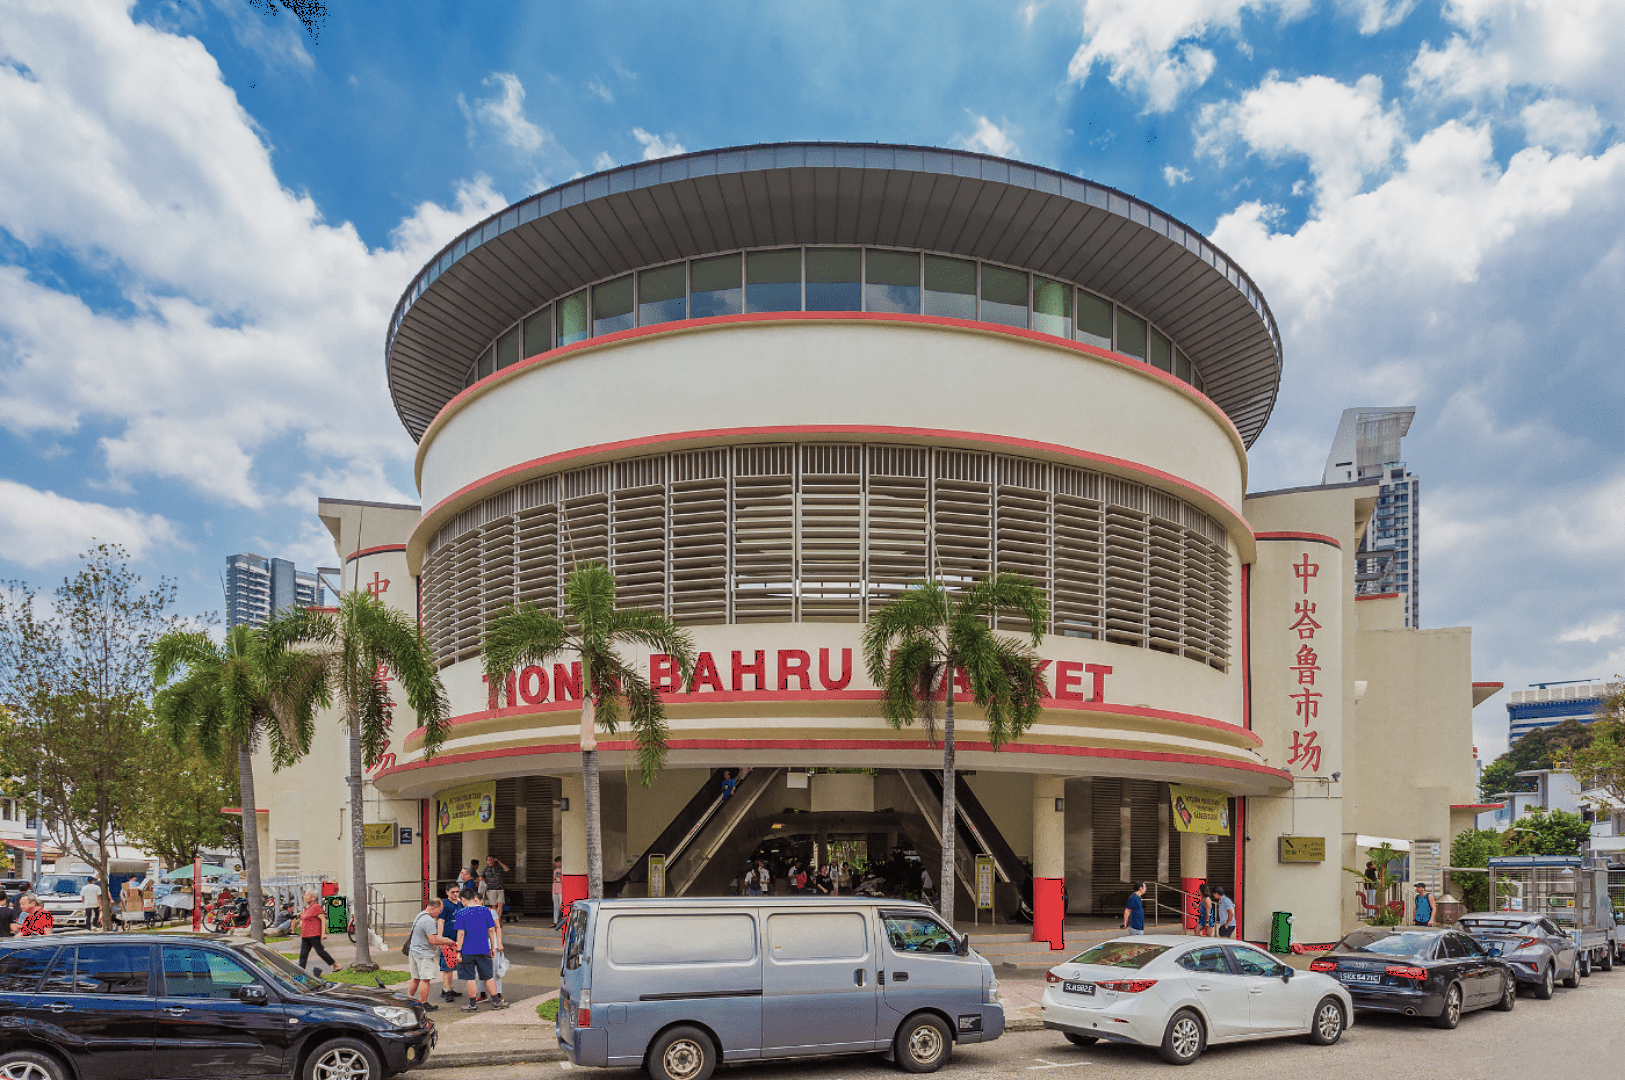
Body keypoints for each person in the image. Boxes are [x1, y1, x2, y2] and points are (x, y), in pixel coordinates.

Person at [453, 885, 506, 1011]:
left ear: (463, 899)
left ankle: (472, 1005)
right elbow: (491, 930)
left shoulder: (461, 913)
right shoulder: (485, 911)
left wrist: (458, 951)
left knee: (470, 978)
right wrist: (492, 947)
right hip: (483, 948)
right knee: (488, 976)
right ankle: (496, 1001)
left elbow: (460, 934)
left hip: (467, 950)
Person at [405, 899, 452, 1010]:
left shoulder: (420, 915)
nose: (440, 913)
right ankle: (423, 1003)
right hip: (424, 954)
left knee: (415, 978)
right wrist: (447, 942)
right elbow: (432, 940)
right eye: (439, 911)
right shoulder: (429, 921)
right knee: (425, 979)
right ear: (433, 908)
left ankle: (409, 999)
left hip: (414, 952)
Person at [297, 890, 341, 972]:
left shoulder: (316, 907)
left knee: (320, 952)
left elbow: (323, 919)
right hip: (305, 935)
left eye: (307, 895)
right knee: (303, 954)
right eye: (304, 895)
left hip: (314, 935)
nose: (305, 897)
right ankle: (300, 972)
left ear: (313, 898)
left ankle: (336, 965)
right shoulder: (306, 908)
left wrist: (323, 933)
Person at [439, 883, 464, 1002]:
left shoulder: (460, 904)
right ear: (447, 892)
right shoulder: (444, 904)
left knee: (452, 965)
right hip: (447, 939)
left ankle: (447, 988)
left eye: (457, 892)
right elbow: (440, 922)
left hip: (456, 940)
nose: (455, 894)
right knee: (446, 967)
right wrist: (440, 938)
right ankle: (447, 991)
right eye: (453, 892)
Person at [481, 855, 510, 920]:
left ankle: (498, 919)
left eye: (491, 860)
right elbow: (481, 878)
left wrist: (499, 862)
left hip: (500, 888)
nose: (490, 861)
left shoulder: (499, 867)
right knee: (494, 905)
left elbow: (506, 869)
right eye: (489, 860)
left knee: (500, 904)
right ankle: (496, 920)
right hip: (491, 889)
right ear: (486, 861)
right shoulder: (485, 869)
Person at [551, 856, 564, 928]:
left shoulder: (563, 870)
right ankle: (555, 921)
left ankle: (562, 920)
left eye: (558, 862)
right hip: (555, 888)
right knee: (555, 906)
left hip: (561, 889)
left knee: (560, 905)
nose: (557, 864)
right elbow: (555, 879)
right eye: (556, 862)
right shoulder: (555, 871)